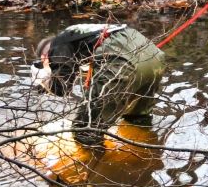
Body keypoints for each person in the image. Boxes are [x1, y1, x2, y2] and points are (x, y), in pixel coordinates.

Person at [32, 23, 165, 145]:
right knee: (136, 118)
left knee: (84, 130)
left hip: (121, 59)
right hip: (153, 56)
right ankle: (146, 153)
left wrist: (43, 79)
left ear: (45, 56)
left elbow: (61, 89)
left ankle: (99, 168)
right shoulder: (83, 32)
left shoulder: (58, 43)